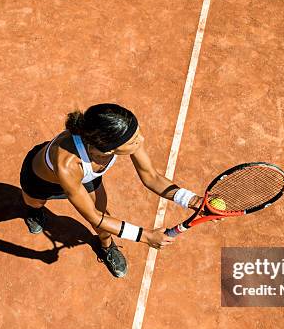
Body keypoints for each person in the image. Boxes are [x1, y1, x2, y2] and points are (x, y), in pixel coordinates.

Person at [19, 103, 202, 278]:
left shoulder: (120, 136)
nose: (141, 140)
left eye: (137, 134)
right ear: (108, 150)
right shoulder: (68, 164)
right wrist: (145, 236)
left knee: (103, 213)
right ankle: (33, 212)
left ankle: (106, 246)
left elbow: (151, 177)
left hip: (86, 177)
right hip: (40, 181)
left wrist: (193, 200)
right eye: (133, 141)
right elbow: (93, 217)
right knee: (35, 203)